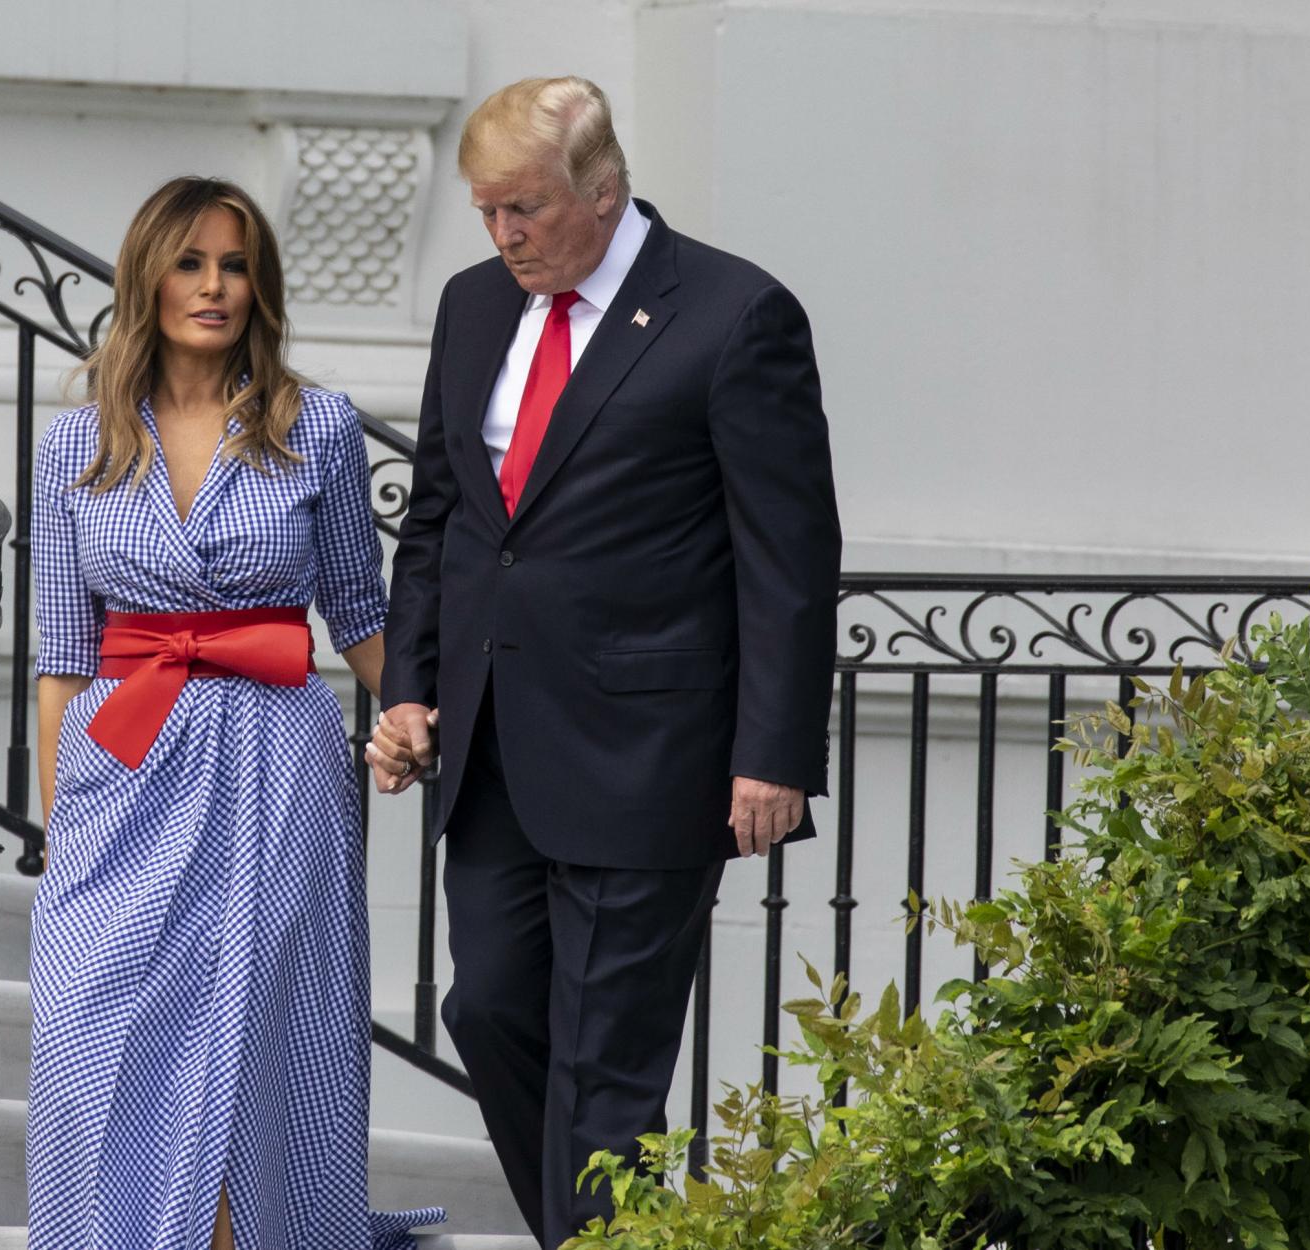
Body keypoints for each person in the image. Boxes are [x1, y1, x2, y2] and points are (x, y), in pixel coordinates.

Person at [367, 76, 843, 1247]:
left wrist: (771, 755)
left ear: (603, 187)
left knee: (607, 1061)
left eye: (524, 208)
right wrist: (412, 681)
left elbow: (788, 559)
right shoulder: (474, 306)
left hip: (653, 757)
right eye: (486, 211)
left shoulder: (734, 315)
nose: (504, 234)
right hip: (488, 753)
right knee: (484, 1009)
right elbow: (442, 518)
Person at [25, 175, 443, 1250]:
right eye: (190, 262)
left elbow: (356, 607)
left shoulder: (320, 426)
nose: (214, 286)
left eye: (236, 263)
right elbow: (63, 659)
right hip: (124, 761)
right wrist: (58, 830)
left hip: (278, 757)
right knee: (92, 1028)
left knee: (264, 1037)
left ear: (261, 284)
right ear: (147, 277)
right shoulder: (73, 447)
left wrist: (417, 712)